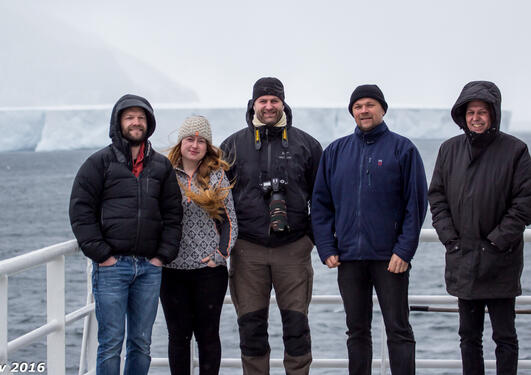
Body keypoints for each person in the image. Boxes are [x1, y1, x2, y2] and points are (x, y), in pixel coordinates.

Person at [312, 84, 428, 375]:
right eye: (358, 106)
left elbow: (416, 204)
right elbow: (321, 204)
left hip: (390, 259)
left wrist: (404, 250)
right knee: (356, 331)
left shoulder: (403, 149)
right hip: (349, 258)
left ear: (382, 109)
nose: (364, 110)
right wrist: (326, 247)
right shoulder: (336, 151)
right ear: (352, 112)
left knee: (398, 329)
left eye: (370, 105)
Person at [69, 94, 183, 375]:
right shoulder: (99, 163)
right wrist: (102, 255)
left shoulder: (160, 166)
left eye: (141, 118)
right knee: (110, 343)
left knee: (141, 343)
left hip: (149, 267)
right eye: (130, 117)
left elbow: (173, 214)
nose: (136, 123)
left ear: (149, 123)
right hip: (112, 267)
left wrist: (162, 256)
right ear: (118, 122)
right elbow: (81, 211)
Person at [220, 77, 322, 375]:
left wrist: (310, 239)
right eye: (262, 101)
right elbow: (218, 198)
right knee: (251, 328)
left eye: (273, 100)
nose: (268, 106)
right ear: (253, 104)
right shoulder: (233, 145)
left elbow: (323, 197)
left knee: (296, 326)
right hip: (247, 249)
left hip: (293, 248)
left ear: (283, 103)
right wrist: (227, 242)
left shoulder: (306, 144)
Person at [428, 81, 531, 375]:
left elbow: (524, 202)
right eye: (471, 111)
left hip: (501, 259)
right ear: (463, 115)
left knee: (505, 337)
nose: (476, 117)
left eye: (482, 111)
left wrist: (497, 241)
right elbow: (436, 195)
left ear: (493, 114)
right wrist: (450, 238)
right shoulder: (449, 150)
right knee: (468, 337)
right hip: (463, 257)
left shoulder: (515, 150)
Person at [160, 115, 237, 375]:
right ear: (181, 142)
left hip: (209, 272)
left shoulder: (216, 176)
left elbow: (230, 221)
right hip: (172, 270)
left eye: (201, 140)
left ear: (208, 146)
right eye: (190, 139)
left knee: (208, 336)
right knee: (178, 337)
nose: (195, 145)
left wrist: (221, 254)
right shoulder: (164, 173)